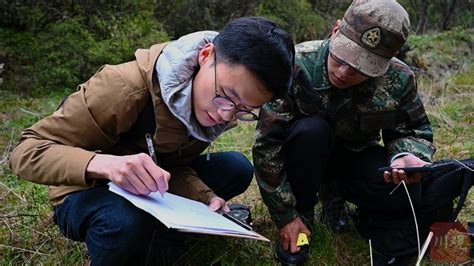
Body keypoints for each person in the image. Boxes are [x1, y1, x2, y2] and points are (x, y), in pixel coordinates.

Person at [9, 17, 295, 265]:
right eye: (226, 95)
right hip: (83, 193)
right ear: (206, 55)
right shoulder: (122, 88)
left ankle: (158, 240)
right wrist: (104, 164)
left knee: (236, 167)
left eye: (244, 109)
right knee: (123, 222)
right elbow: (26, 151)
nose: (225, 114)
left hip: (147, 190)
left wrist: (205, 198)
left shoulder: (212, 104)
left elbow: (172, 164)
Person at [253, 0, 438, 264]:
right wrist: (286, 215)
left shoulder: (400, 79)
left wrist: (405, 156)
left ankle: (342, 202)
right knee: (311, 131)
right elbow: (267, 145)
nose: (343, 73)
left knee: (406, 193)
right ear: (336, 29)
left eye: (360, 69)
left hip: (353, 158)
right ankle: (304, 215)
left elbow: (414, 130)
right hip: (303, 160)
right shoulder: (295, 64)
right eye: (341, 58)